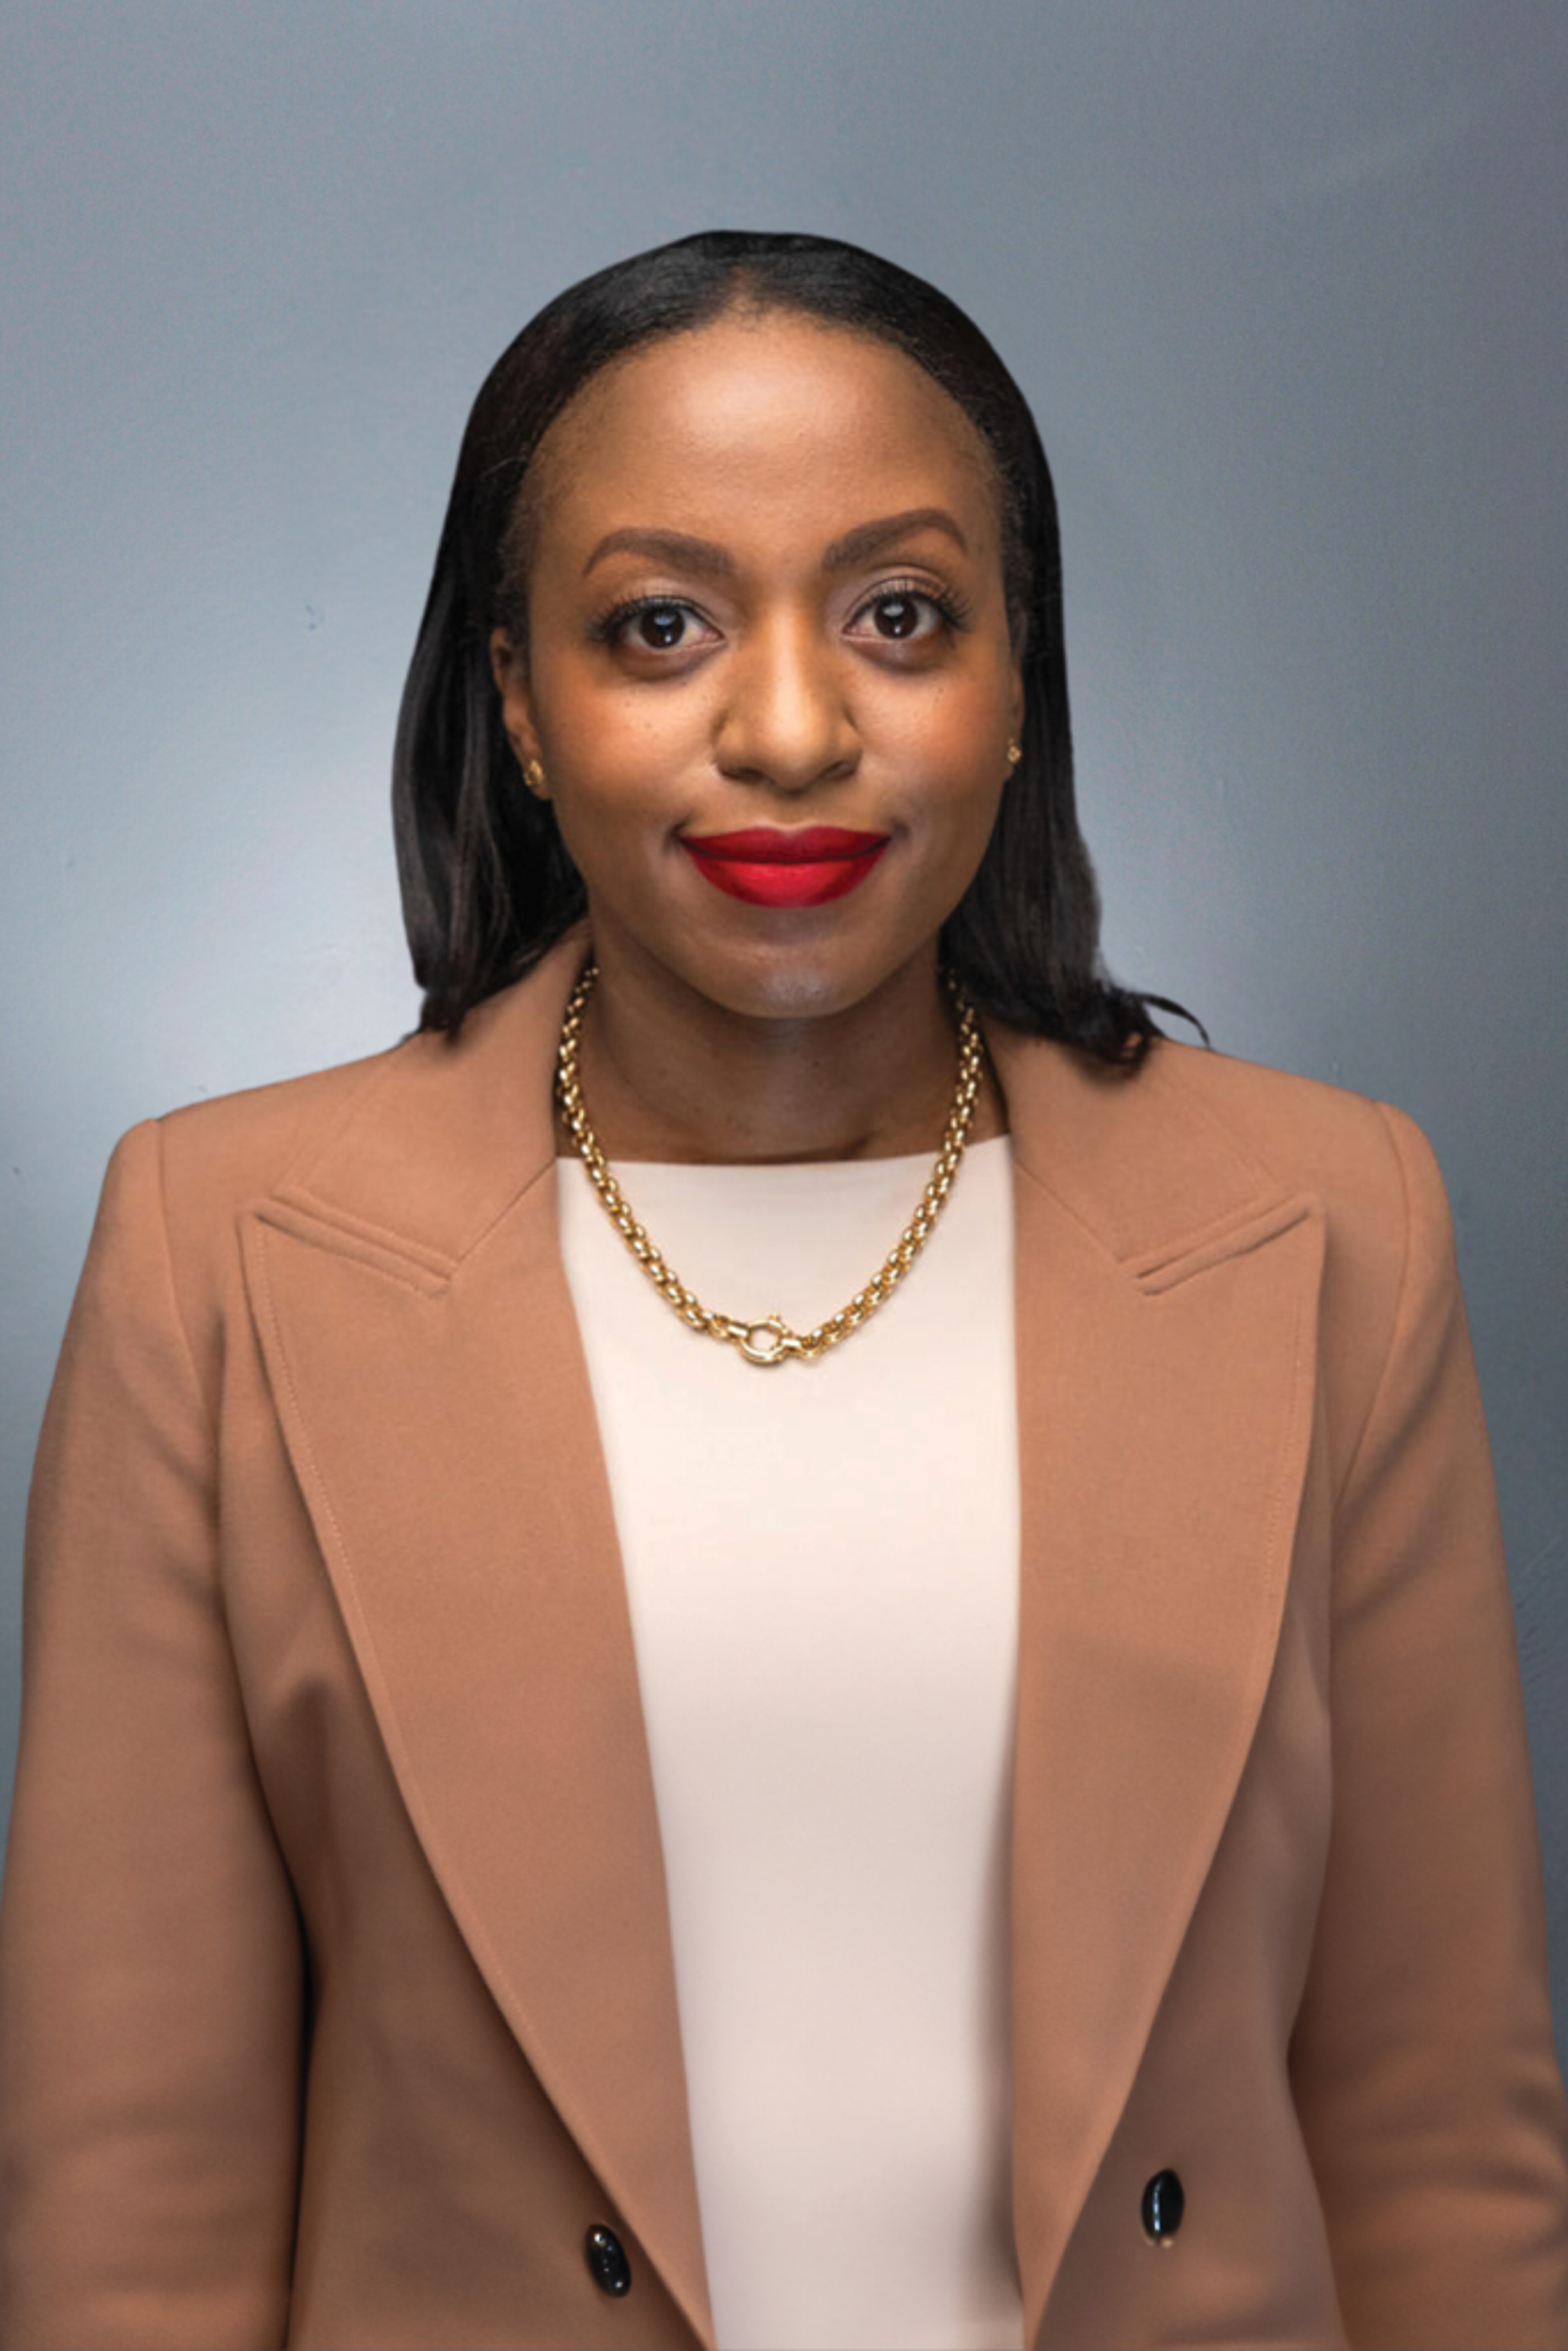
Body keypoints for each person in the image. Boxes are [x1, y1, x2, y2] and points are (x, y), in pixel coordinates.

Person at [1, 228, 1564, 2351]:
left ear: (1020, 680)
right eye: (660, 624)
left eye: (900, 613)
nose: (795, 726)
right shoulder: (219, 1248)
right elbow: (133, 2212)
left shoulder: (1326, 1217)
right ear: (522, 705)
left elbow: (1433, 2129)